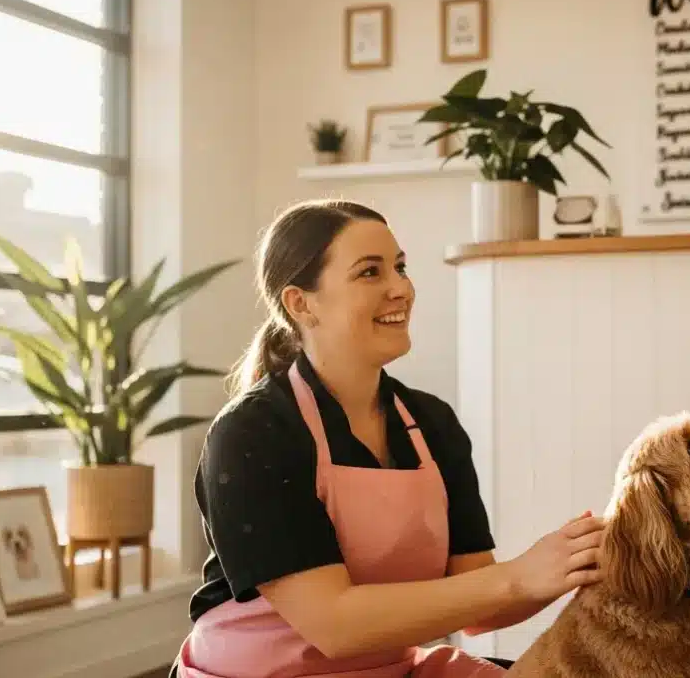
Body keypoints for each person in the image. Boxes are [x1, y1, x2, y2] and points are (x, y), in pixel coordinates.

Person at [171, 199, 605, 678]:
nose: (401, 288)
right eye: (370, 273)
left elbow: (481, 603)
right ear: (301, 303)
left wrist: (576, 560)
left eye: (400, 267)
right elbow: (334, 625)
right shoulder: (252, 432)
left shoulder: (431, 424)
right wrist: (518, 576)